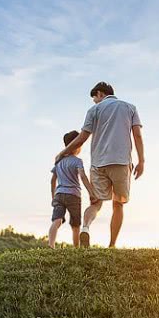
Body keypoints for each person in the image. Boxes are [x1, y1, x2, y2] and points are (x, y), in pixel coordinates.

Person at [55, 82, 145, 248]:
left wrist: (63, 152)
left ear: (99, 93)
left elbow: (82, 138)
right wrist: (141, 160)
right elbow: (137, 135)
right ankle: (111, 245)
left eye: (94, 98)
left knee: (96, 203)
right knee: (118, 204)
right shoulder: (130, 108)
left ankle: (86, 228)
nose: (95, 102)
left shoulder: (94, 111)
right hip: (121, 162)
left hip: (98, 163)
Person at [49, 130, 97, 248]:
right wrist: (91, 193)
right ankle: (76, 248)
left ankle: (51, 245)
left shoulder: (59, 161)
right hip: (73, 195)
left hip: (59, 195)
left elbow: (53, 180)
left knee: (57, 221)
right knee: (75, 225)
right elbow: (83, 177)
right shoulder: (77, 161)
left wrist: (53, 196)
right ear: (76, 145)